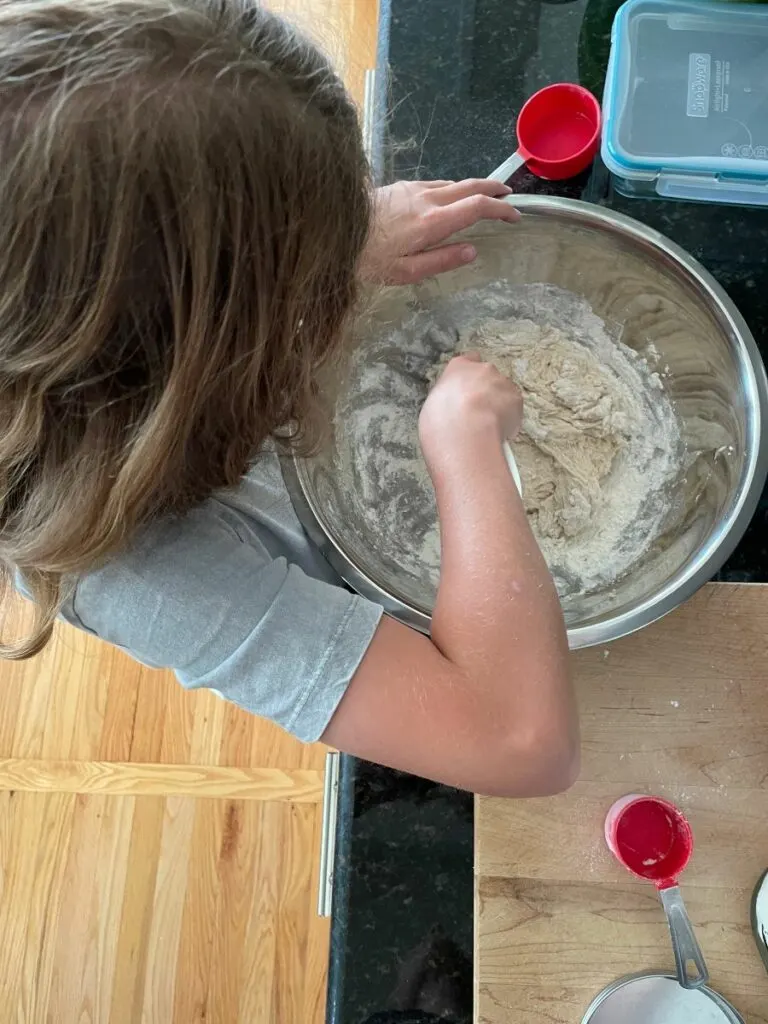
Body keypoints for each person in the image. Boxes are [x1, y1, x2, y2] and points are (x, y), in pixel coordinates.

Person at [0, 0, 578, 798]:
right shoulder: (132, 572)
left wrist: (339, 238)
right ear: (205, 352)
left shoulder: (72, 305)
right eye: (302, 268)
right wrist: (467, 442)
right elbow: (521, 744)